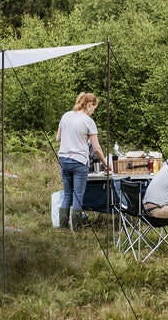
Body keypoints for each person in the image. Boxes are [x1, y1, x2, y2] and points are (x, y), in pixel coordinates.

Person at [56, 92, 106, 231]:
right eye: (94, 108)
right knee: (78, 196)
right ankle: (77, 229)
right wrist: (106, 164)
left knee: (67, 195)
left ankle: (63, 228)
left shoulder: (66, 115)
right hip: (79, 161)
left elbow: (58, 138)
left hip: (64, 160)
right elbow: (96, 149)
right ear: (89, 105)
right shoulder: (88, 121)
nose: (93, 112)